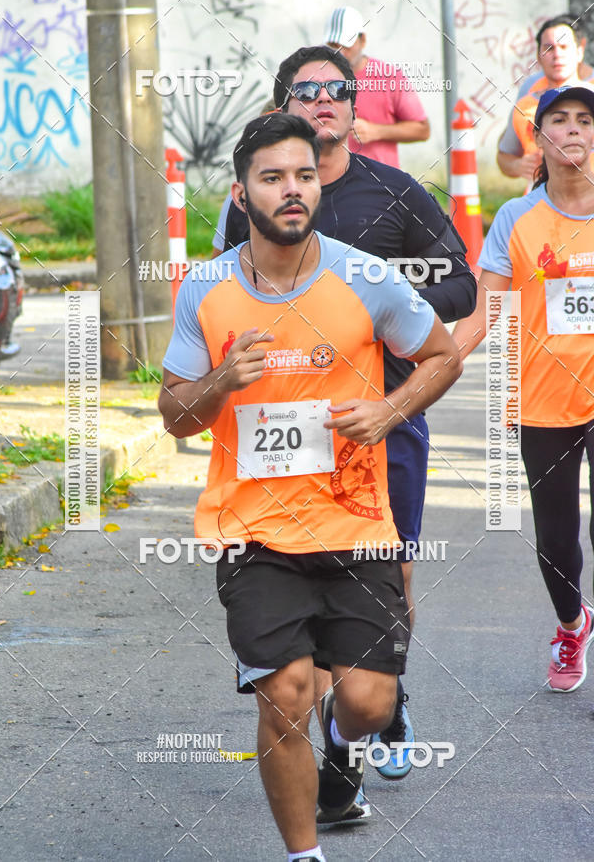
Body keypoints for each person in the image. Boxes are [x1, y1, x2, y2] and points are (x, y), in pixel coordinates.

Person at [159, 112, 462, 861]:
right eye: (272, 177)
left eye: (302, 174)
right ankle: (304, 855)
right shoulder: (206, 288)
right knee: (287, 690)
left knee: (366, 699)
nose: (291, 190)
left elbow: (442, 354)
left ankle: (342, 742)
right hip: (252, 528)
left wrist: (389, 410)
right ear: (240, 193)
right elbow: (174, 416)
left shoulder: (364, 277)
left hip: (355, 522)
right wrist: (222, 379)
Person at [212, 44, 476, 799]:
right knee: (292, 577)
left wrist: (379, 298)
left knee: (386, 571)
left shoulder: (395, 193)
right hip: (282, 425)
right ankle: (320, 741)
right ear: (282, 108)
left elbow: (457, 281)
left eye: (338, 90)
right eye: (307, 90)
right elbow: (224, 297)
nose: (323, 100)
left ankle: (375, 703)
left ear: (357, 111)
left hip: (380, 419)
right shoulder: (254, 198)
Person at [455, 85, 594, 691]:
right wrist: (427, 369)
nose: (573, 131)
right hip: (539, 396)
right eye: (559, 121)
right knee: (556, 538)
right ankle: (571, 624)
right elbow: (485, 312)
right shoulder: (515, 219)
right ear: (540, 138)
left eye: (585, 121)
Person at [323, 6, 430, 167]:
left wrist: (376, 131)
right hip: (331, 186)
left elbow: (422, 130)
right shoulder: (317, 79)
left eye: (347, 44)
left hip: (381, 186)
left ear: (363, 40)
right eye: (334, 44)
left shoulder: (389, 77)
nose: (340, 52)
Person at [497, 15, 594, 185]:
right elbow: (504, 155)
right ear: (539, 55)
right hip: (540, 199)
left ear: (579, 52)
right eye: (549, 48)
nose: (557, 55)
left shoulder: (591, 97)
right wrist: (518, 165)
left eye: (564, 47)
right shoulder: (525, 104)